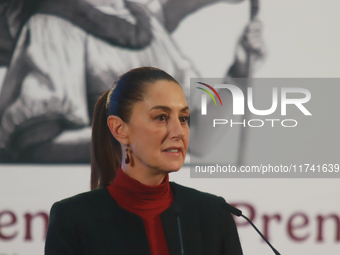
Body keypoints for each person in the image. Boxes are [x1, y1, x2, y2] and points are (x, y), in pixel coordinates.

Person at [0, 0, 265, 163]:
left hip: (154, 210)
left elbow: (196, 139)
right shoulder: (52, 23)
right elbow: (35, 145)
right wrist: (138, 141)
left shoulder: (147, 25)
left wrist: (239, 71)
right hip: (91, 212)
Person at [44, 67, 243, 255]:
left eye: (183, 118)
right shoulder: (72, 219)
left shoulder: (214, 214)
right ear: (120, 129)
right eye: (161, 117)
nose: (178, 132)